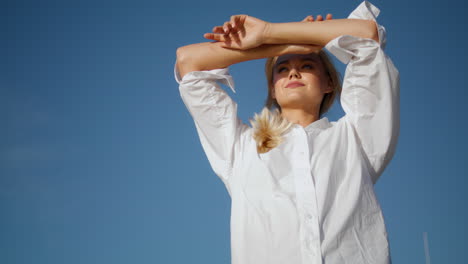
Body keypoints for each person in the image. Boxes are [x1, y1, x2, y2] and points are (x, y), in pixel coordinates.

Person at [175, 1, 399, 263]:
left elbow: (367, 35)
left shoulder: (356, 137)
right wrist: (291, 44)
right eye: (282, 68)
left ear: (329, 83)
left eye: (307, 65)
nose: (293, 71)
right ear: (273, 88)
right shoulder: (240, 146)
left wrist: (271, 31)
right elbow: (188, 61)